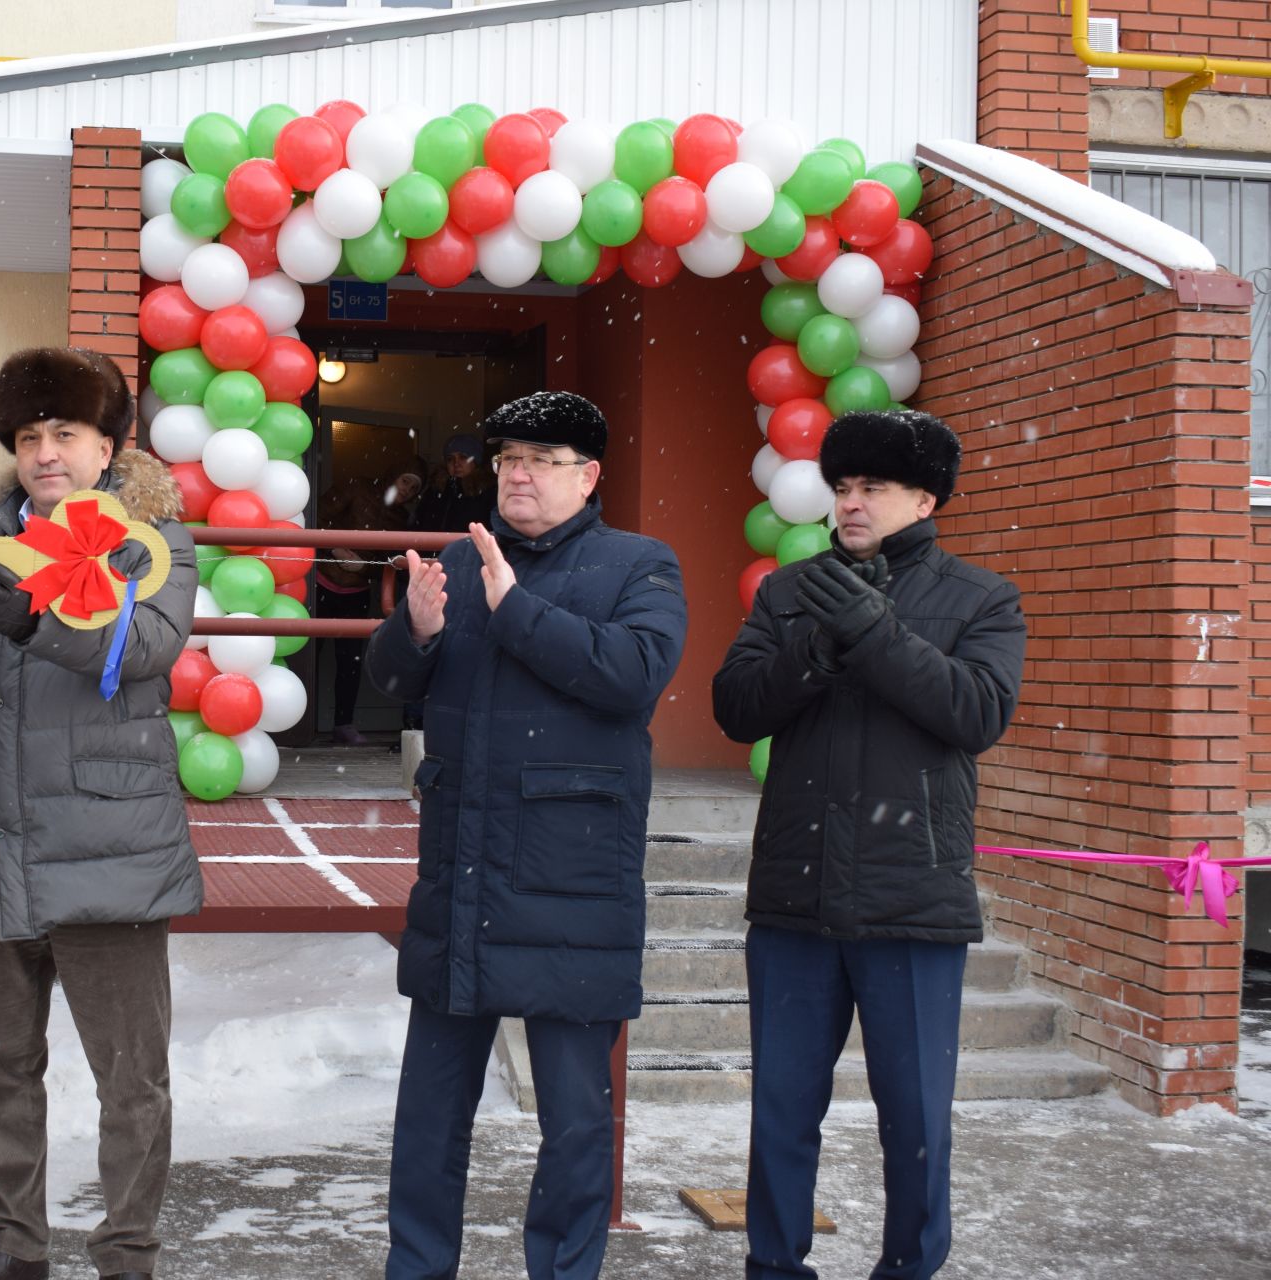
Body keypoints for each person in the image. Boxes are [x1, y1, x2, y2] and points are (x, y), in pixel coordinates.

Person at [366, 391, 688, 1280]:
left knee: (576, 1122)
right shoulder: (462, 564)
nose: (518, 473)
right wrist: (416, 630)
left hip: (572, 885)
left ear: (587, 477)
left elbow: (632, 673)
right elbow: (391, 678)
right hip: (462, 878)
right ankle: (418, 1267)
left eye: (541, 460)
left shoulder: (641, 564)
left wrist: (517, 611)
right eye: (510, 457)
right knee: (429, 1116)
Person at [0, 347, 202, 1280]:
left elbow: (150, 644)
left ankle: (127, 1252)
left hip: (109, 849)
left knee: (130, 1082)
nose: (46, 453)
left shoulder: (150, 541)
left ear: (107, 447)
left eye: (65, 433)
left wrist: (38, 622)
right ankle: (11, 1247)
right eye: (29, 436)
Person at [710, 409, 1026, 1280]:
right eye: (842, 487)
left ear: (924, 498)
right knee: (781, 1108)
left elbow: (976, 712)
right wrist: (815, 644)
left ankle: (909, 1268)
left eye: (872, 488)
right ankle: (774, 1266)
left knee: (916, 1117)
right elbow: (736, 708)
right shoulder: (787, 592)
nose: (850, 503)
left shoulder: (981, 599)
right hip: (794, 896)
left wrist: (876, 634)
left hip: (911, 896)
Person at [317, 469, 396, 745]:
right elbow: (317, 514)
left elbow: (392, 564)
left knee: (350, 662)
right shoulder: (356, 486)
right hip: (322, 583)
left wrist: (365, 568)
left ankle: (343, 723)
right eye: (406, 481)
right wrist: (334, 547)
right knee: (308, 656)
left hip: (357, 592)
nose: (407, 490)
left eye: (414, 487)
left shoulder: (400, 516)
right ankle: (298, 722)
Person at [412, 432, 492, 535]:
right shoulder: (435, 492)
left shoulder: (487, 493)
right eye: (450, 459)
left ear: (475, 462)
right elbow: (418, 526)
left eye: (463, 457)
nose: (456, 463)